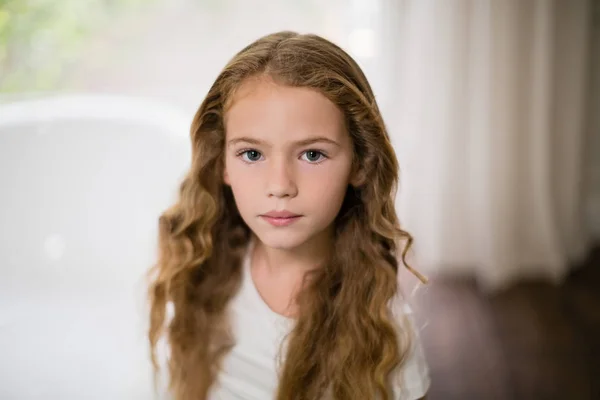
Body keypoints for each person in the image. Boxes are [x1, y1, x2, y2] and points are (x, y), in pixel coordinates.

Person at [147, 31, 430, 400]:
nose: (280, 186)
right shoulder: (199, 269)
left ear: (360, 164)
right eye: (252, 154)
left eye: (312, 155)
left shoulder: (384, 329)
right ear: (221, 164)